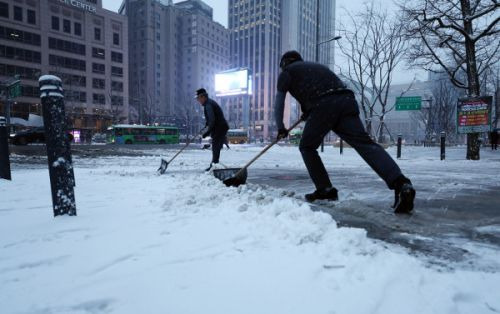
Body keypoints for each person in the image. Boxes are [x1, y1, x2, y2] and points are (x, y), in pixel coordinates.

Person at [274, 51, 415, 214]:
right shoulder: (316, 68)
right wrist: (309, 111)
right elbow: (321, 90)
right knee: (365, 144)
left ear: (284, 63)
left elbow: (279, 103)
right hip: (346, 101)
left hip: (325, 105)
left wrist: (280, 128)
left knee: (307, 147)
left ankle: (325, 189)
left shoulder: (287, 73)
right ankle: (402, 184)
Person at [195, 88, 229, 171]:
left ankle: (214, 165)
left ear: (203, 97)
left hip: (220, 127)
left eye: (198, 99)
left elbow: (212, 120)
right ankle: (214, 165)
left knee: (215, 146)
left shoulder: (208, 105)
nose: (198, 101)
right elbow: (210, 120)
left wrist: (207, 132)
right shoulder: (209, 103)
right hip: (220, 127)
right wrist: (206, 127)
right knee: (216, 146)